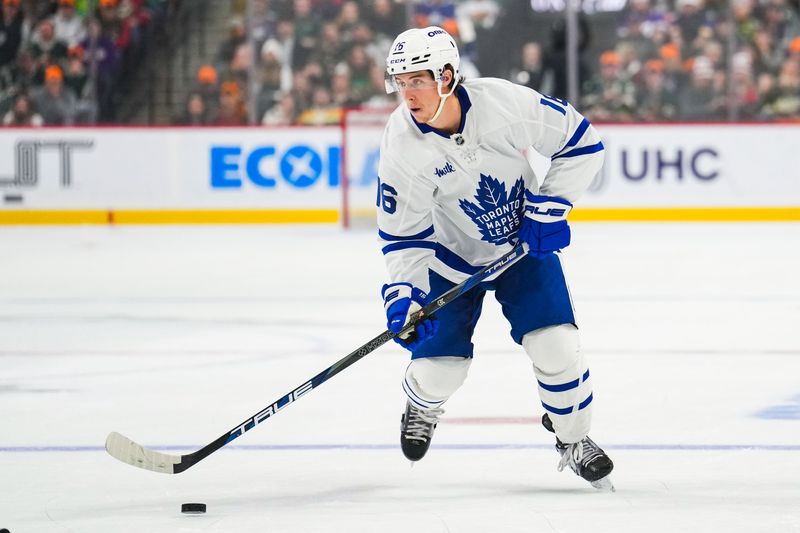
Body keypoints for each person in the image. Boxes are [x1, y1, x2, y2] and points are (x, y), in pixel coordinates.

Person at [377, 26, 614, 490]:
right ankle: (422, 404)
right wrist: (403, 297)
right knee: (439, 371)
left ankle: (574, 439)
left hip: (520, 249)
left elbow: (582, 142)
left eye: (417, 80)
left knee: (557, 348)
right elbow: (404, 235)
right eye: (399, 82)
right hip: (447, 263)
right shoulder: (401, 144)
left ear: (447, 75)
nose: (407, 93)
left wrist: (550, 207)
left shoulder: (505, 105)